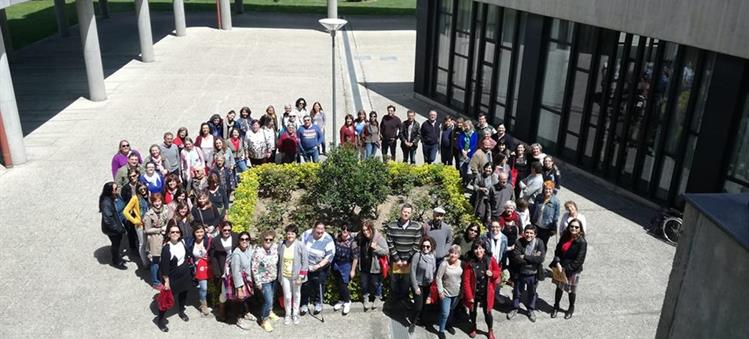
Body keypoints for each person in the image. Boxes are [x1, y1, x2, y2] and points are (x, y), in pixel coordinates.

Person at [156, 223, 193, 332]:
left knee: (183, 293)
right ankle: (160, 320)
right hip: (172, 277)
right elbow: (164, 267)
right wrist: (166, 281)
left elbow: (187, 254)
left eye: (177, 232)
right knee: (165, 300)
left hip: (184, 273)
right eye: (172, 232)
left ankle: (181, 311)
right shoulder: (167, 248)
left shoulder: (182, 242)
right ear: (168, 234)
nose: (175, 234)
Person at [385, 203, 423, 306]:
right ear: (401, 212)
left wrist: (406, 259)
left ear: (411, 214)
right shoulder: (392, 225)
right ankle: (393, 300)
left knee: (406, 282)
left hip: (409, 261)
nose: (406, 214)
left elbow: (417, 243)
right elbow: (390, 242)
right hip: (395, 260)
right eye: (404, 211)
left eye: (408, 212)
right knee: (394, 281)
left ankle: (403, 300)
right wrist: (397, 259)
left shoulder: (416, 227)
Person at [462, 240, 500, 339]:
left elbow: (497, 271)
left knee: (487, 313)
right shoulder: (469, 262)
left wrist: (493, 274)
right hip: (474, 293)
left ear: (484, 249)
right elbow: (466, 281)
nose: (478, 251)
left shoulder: (490, 259)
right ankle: (473, 326)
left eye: (480, 248)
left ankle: (490, 330)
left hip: (487, 293)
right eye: (476, 248)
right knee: (472, 311)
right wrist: (469, 296)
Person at [550, 218, 587, 319]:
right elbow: (557, 251)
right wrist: (557, 262)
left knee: (571, 290)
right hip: (560, 267)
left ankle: (571, 308)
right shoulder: (564, 237)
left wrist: (567, 269)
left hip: (572, 270)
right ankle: (556, 306)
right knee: (559, 288)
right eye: (572, 226)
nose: (574, 228)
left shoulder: (582, 242)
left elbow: (579, 260)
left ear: (580, 229)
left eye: (576, 227)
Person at [508, 225, 546, 322]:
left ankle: (530, 309)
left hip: (533, 274)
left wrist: (524, 256)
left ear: (535, 234)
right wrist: (533, 258)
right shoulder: (519, 242)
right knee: (517, 292)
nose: (528, 235)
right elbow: (516, 258)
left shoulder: (539, 242)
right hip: (520, 272)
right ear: (524, 233)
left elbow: (541, 259)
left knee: (531, 293)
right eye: (527, 232)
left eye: (531, 233)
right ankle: (515, 308)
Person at [300, 221, 335, 315]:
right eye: (318, 230)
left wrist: (318, 266)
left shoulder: (328, 239)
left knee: (319, 284)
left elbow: (329, 256)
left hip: (320, 266)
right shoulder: (307, 234)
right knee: (305, 284)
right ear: (314, 228)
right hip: (306, 265)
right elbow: (300, 246)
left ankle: (318, 303)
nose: (320, 232)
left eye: (322, 230)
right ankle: (304, 303)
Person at [277, 224, 309, 325]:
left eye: (292, 233)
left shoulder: (300, 245)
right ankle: (287, 314)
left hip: (296, 276)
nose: (290, 235)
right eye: (288, 233)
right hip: (285, 275)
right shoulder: (282, 244)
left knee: (296, 295)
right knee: (287, 296)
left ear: (296, 235)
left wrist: (301, 276)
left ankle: (295, 314)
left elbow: (305, 262)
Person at [355, 220, 388, 310]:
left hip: (374, 266)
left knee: (376, 283)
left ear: (371, 229)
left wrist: (376, 248)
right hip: (364, 266)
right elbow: (352, 236)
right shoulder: (361, 236)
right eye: (364, 230)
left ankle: (378, 297)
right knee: (364, 283)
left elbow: (386, 251)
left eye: (367, 230)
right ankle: (366, 298)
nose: (366, 232)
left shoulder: (378, 238)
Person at [252, 230, 280, 331]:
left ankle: (270, 312)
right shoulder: (258, 251)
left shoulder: (275, 248)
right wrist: (258, 282)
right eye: (266, 239)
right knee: (268, 300)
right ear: (262, 239)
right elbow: (255, 268)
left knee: (272, 297)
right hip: (264, 280)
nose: (268, 241)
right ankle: (264, 320)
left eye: (270, 239)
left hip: (273, 278)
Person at [210, 223, 238, 322]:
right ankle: (222, 311)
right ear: (221, 229)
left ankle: (236, 311)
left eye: (229, 230)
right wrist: (217, 272)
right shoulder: (215, 241)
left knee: (236, 289)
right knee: (224, 291)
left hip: (235, 267)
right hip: (223, 269)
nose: (227, 232)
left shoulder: (236, 237)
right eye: (225, 230)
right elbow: (213, 258)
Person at [408, 236, 437, 334]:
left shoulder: (433, 256)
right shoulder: (417, 255)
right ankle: (413, 322)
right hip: (418, 284)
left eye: (428, 247)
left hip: (428, 284)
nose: (425, 248)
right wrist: (415, 287)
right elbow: (412, 272)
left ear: (431, 247)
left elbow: (434, 269)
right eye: (424, 246)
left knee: (425, 305)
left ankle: (421, 320)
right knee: (418, 306)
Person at [144, 193, 172, 289]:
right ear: (152, 202)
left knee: (165, 259)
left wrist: (167, 227)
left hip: (166, 238)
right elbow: (147, 230)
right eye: (155, 201)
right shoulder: (148, 214)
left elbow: (169, 220)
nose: (157, 203)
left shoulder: (166, 209)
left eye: (159, 201)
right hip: (155, 239)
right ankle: (155, 281)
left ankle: (164, 278)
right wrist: (159, 229)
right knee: (155, 261)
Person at [435, 245, 463, 339]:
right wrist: (440, 291)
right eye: (451, 252)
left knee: (451, 311)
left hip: (457, 293)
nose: (453, 255)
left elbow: (464, 278)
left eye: (455, 253)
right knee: (445, 313)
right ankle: (441, 330)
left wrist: (462, 292)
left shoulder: (461, 264)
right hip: (446, 293)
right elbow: (438, 278)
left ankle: (448, 325)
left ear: (459, 255)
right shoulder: (444, 264)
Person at [231, 231, 257, 331]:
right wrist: (239, 288)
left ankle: (246, 313)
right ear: (238, 241)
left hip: (248, 280)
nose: (244, 241)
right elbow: (236, 272)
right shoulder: (236, 254)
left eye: (247, 239)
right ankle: (239, 319)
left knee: (246, 299)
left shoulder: (248, 250)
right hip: (241, 281)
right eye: (242, 239)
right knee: (240, 299)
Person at [185, 225, 212, 316]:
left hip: (209, 265)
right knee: (203, 287)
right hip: (199, 266)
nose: (199, 234)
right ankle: (203, 304)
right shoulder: (191, 243)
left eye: (201, 232)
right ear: (194, 233)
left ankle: (212, 301)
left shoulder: (208, 241)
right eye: (197, 232)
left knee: (211, 286)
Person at [100, 182, 127, 270]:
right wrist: (118, 229)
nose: (117, 189)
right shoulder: (106, 203)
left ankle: (117, 256)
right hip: (112, 229)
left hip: (118, 223)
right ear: (110, 191)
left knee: (118, 241)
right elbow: (108, 220)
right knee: (116, 243)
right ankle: (116, 260)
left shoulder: (114, 196)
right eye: (115, 189)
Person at [332, 224, 358, 315]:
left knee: (343, 284)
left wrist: (353, 270)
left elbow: (355, 257)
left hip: (346, 265)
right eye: (343, 228)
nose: (345, 231)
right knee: (338, 283)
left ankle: (347, 301)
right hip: (336, 264)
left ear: (350, 231)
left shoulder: (352, 242)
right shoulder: (337, 238)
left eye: (347, 229)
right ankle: (341, 300)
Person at [122, 183, 150, 268]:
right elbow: (125, 211)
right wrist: (135, 221)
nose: (143, 191)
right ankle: (145, 263)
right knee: (142, 243)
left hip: (149, 223)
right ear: (138, 190)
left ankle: (149, 258)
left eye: (144, 189)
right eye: (141, 189)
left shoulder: (148, 196)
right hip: (140, 225)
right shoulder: (135, 198)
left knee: (149, 242)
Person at [481, 220, 507, 302]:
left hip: (498, 262)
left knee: (497, 281)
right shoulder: (485, 236)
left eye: (497, 227)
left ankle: (495, 295)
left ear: (501, 227)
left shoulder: (504, 238)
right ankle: (484, 297)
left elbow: (504, 252)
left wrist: (504, 265)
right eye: (493, 226)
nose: (495, 229)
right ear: (490, 227)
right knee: (485, 279)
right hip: (486, 262)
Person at [531, 181, 560, 250]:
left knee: (542, 245)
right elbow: (534, 209)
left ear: (552, 190)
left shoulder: (555, 201)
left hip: (546, 227)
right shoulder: (539, 197)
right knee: (532, 242)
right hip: (536, 224)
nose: (547, 191)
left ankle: (540, 257)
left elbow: (556, 216)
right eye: (546, 189)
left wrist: (554, 229)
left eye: (550, 189)